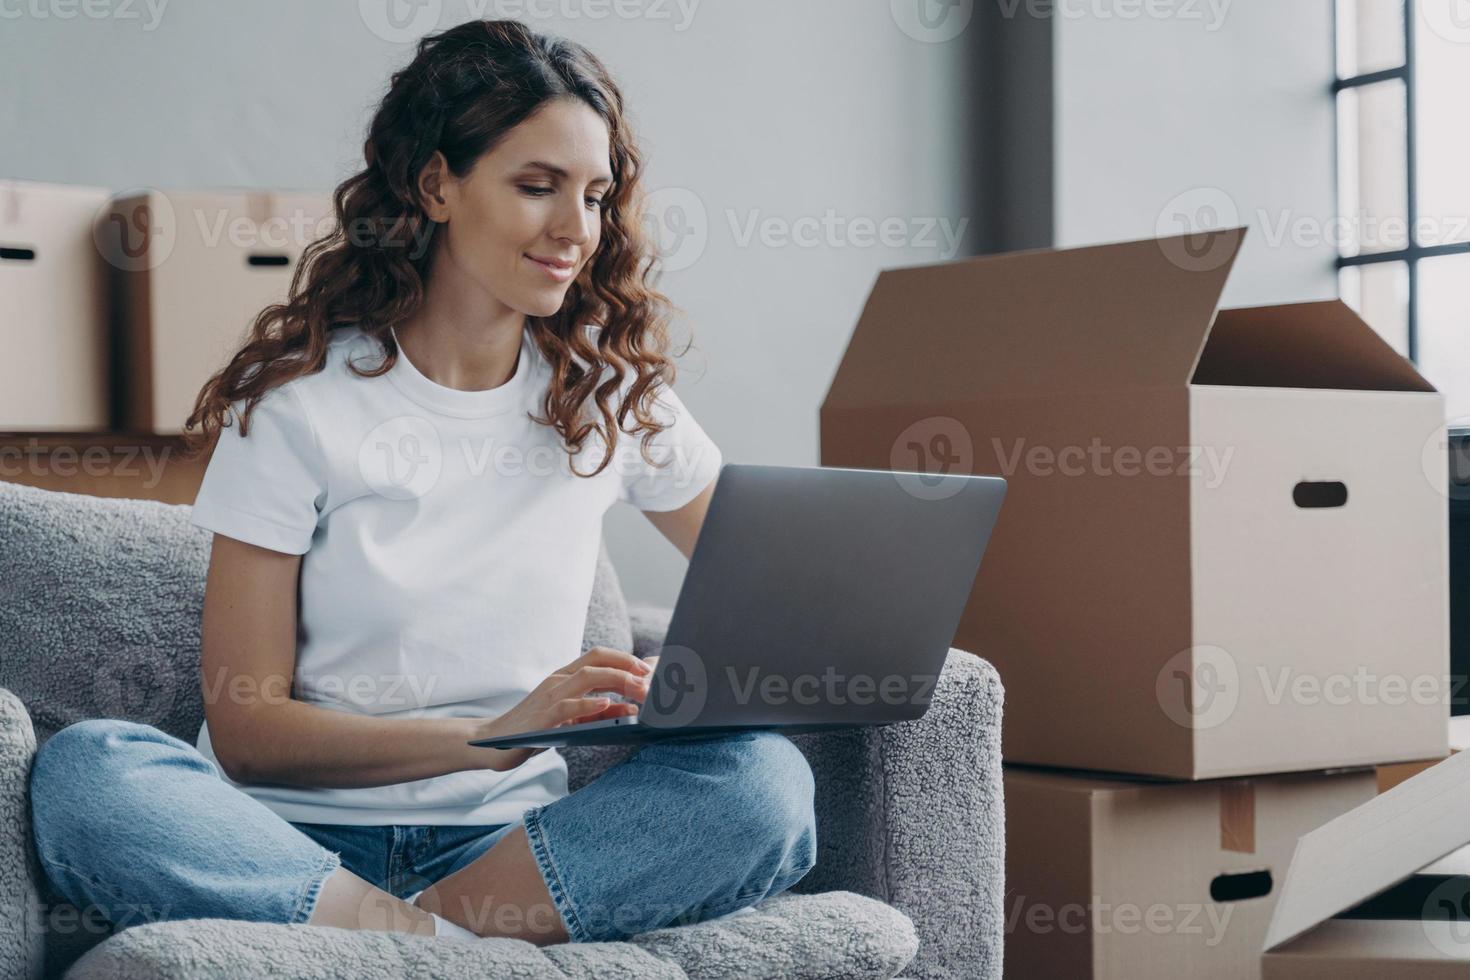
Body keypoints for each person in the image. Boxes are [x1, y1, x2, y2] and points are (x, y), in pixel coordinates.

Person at [28, 19, 816, 946]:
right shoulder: (299, 406)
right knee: (91, 771)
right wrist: (497, 736)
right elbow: (248, 730)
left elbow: (781, 595)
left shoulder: (612, 401)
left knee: (763, 782)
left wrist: (679, 688)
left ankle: (393, 946)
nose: (576, 229)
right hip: (290, 840)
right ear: (437, 184)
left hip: (508, 856)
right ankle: (445, 950)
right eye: (537, 186)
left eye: (596, 197)